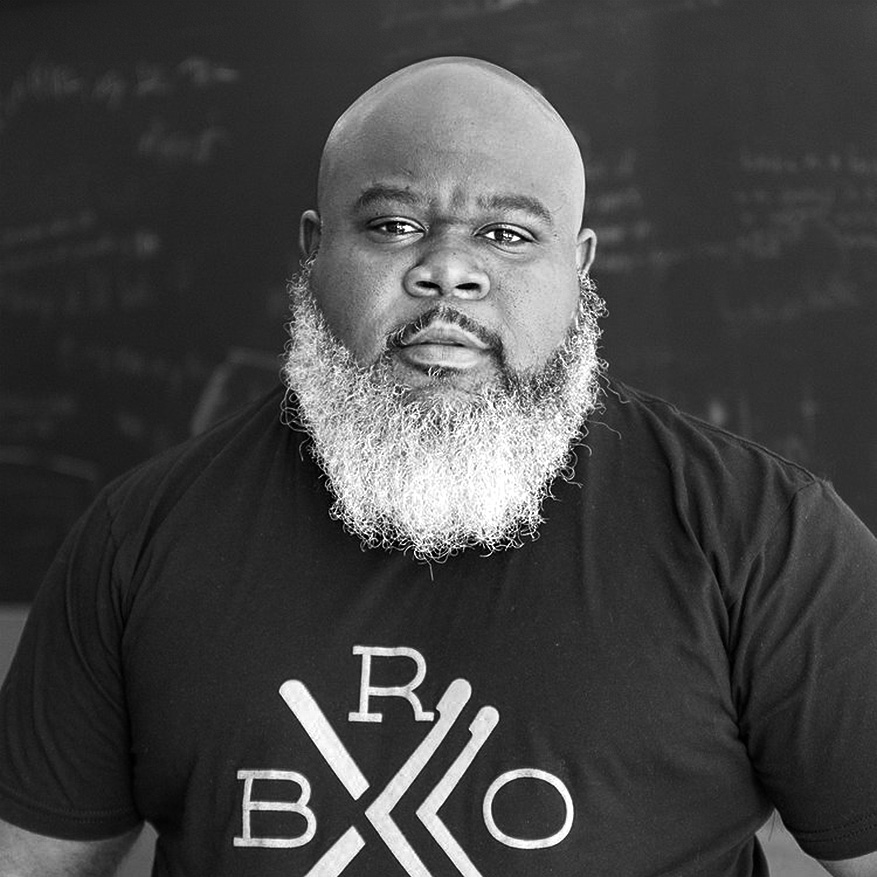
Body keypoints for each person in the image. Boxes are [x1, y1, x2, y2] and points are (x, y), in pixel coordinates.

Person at [1, 56, 876, 877]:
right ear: (314, 249)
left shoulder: (766, 537)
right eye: (394, 226)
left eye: (506, 233)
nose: (449, 271)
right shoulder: (139, 536)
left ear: (578, 267)